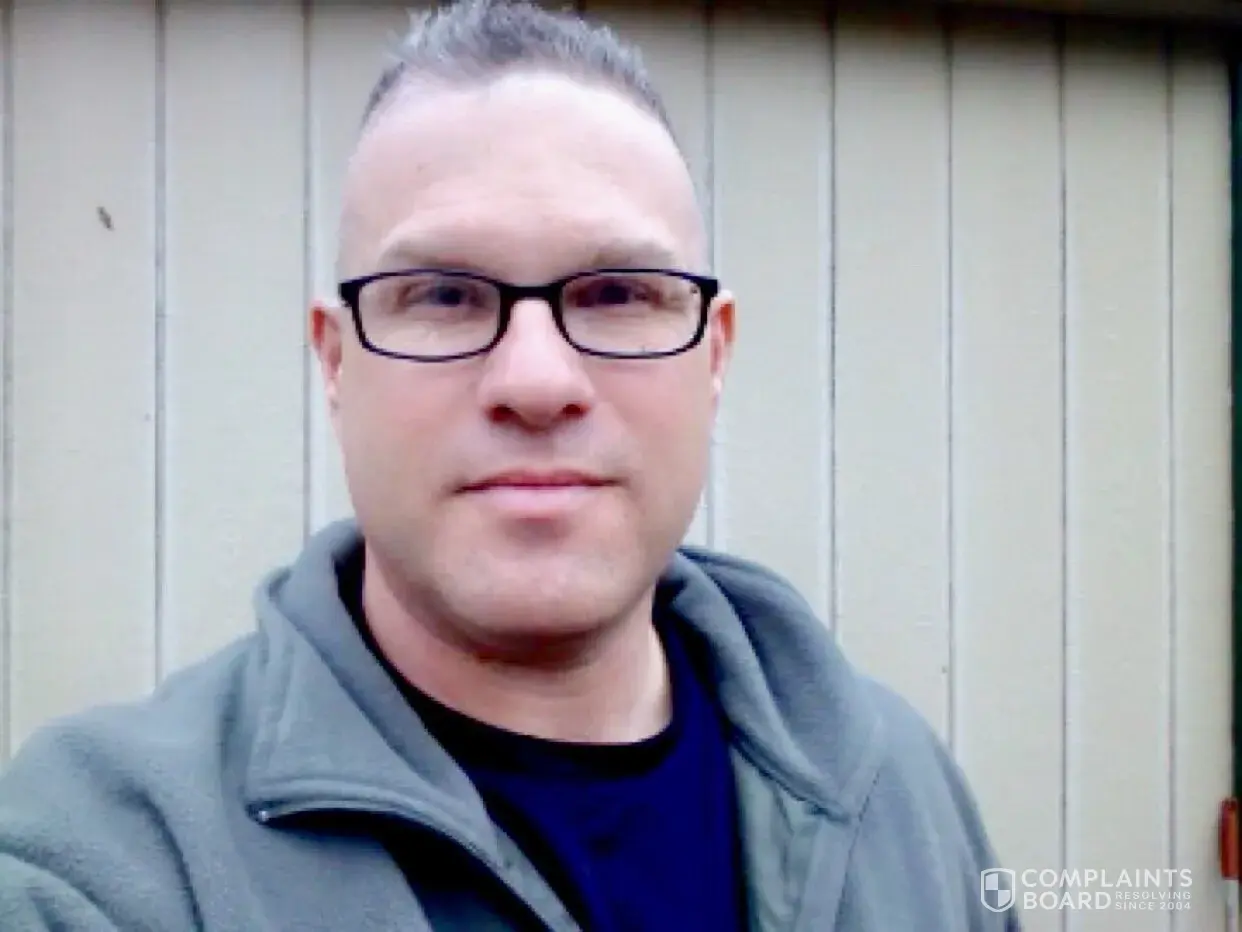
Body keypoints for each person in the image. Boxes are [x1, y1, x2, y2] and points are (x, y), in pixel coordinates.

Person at [0, 1, 1021, 929]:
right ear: (335, 361)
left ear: (713, 356)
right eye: (443, 296)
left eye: (618, 293)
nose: (537, 381)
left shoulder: (901, 795)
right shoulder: (107, 861)